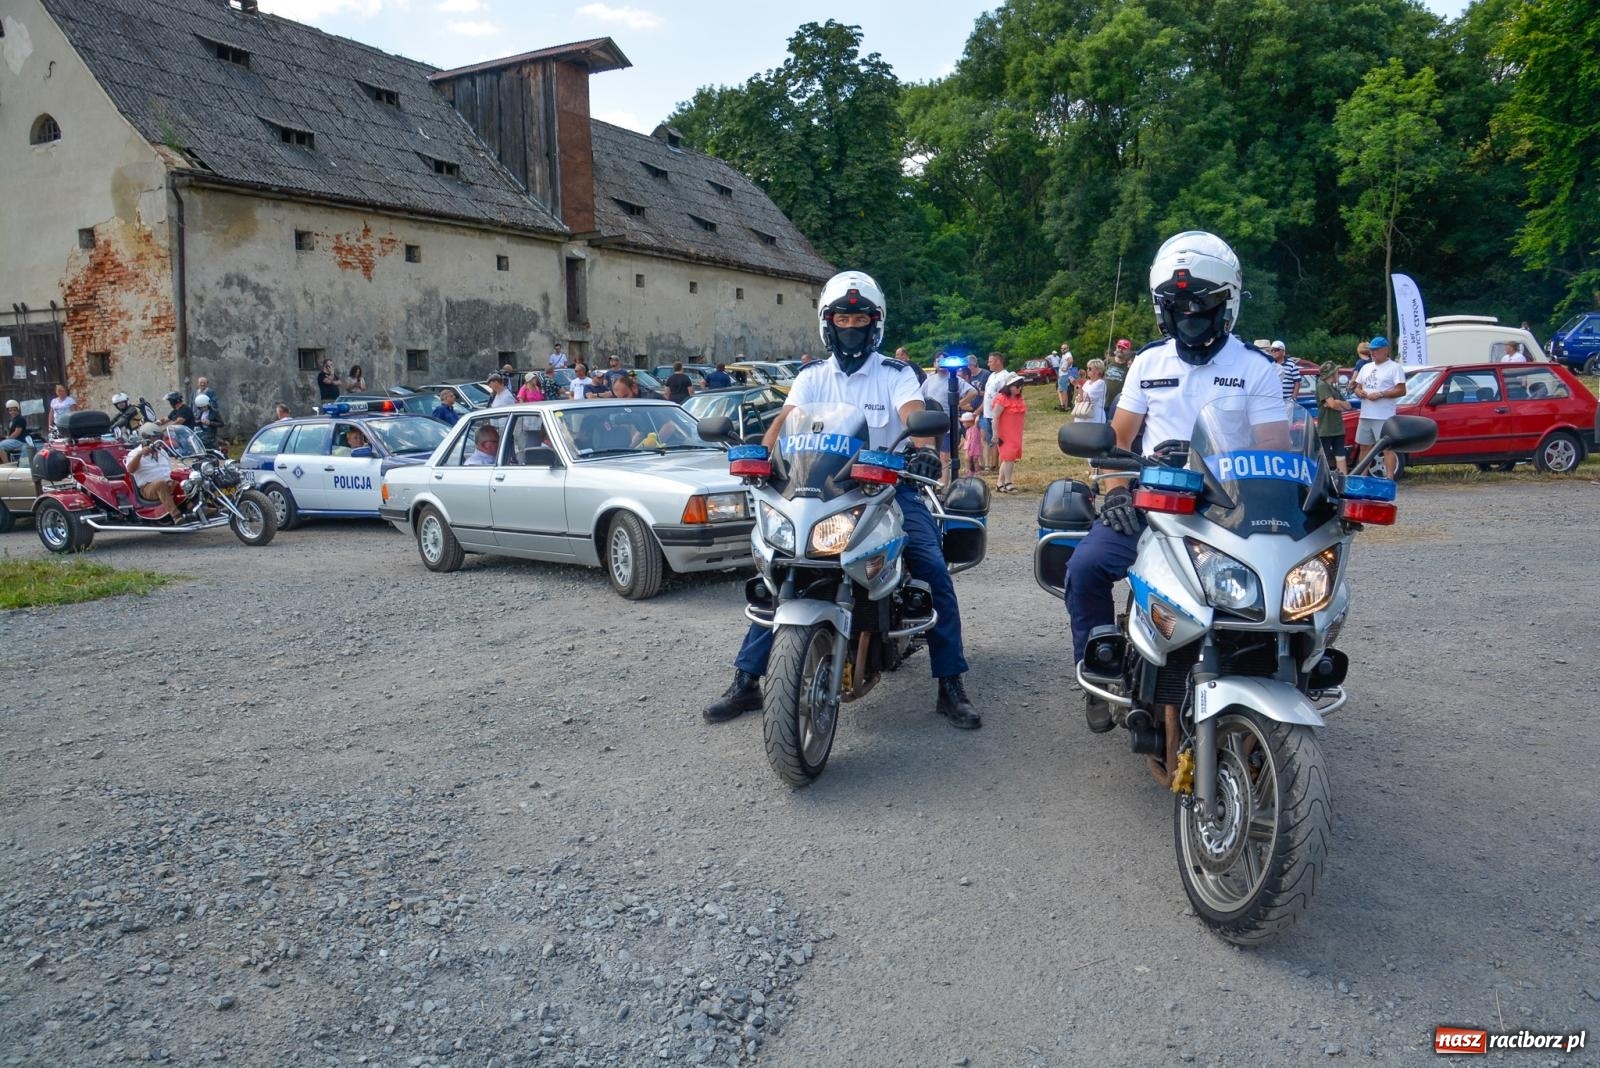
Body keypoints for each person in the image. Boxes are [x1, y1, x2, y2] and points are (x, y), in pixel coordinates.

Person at [701, 268, 983, 730]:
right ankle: (747, 680)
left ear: (876, 323)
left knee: (931, 569)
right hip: (818, 489)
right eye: (842, 319)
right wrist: (761, 457)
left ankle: (950, 682)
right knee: (780, 567)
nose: (851, 327)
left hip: (887, 488)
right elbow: (785, 422)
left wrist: (925, 452)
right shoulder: (812, 376)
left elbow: (914, 415)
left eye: (860, 319)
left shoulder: (895, 374)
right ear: (827, 324)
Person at [1064, 231, 1286, 732]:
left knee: (1282, 590)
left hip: (1230, 508)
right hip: (1154, 504)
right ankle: (1098, 670)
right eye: (1177, 306)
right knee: (1086, 567)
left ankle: (1283, 668)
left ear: (1226, 305)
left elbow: (1274, 451)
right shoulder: (1148, 362)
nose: (1190, 315)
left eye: (1201, 305)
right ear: (1162, 309)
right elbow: (1118, 441)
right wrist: (1117, 494)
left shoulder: (1255, 369)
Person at [1351, 336, 1405, 479]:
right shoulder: (1366, 367)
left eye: (1376, 350)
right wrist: (1359, 392)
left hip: (1384, 416)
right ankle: (1362, 479)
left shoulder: (1394, 367)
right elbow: (1357, 386)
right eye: (1371, 350)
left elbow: (1401, 390)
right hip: (1366, 414)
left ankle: (1389, 479)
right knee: (1364, 447)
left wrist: (1381, 394)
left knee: (1387, 448)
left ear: (1385, 350)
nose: (1373, 353)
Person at [922, 361, 979, 482]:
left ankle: (943, 486)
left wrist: (958, 404)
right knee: (932, 455)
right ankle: (933, 483)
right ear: (934, 363)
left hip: (948, 425)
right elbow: (920, 397)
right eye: (938, 361)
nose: (940, 363)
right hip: (931, 425)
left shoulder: (955, 379)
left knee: (945, 457)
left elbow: (973, 392)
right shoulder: (929, 380)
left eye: (943, 360)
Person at [126, 422, 184, 522]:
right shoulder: (134, 453)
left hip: (168, 483)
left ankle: (198, 508)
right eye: (155, 437)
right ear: (146, 438)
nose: (158, 440)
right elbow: (130, 470)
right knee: (160, 484)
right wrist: (140, 455)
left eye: (159, 437)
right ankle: (176, 516)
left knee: (187, 480)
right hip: (148, 488)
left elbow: (171, 467)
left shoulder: (162, 451)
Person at [1315, 360, 1352, 475]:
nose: (1338, 374)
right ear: (1331, 374)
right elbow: (1332, 404)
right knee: (1323, 458)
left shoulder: (1334, 388)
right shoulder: (1322, 385)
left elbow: (1348, 406)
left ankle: (1343, 479)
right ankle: (1323, 480)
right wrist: (1336, 403)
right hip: (1326, 430)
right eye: (1336, 372)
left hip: (1338, 429)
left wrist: (1338, 402)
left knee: (1341, 456)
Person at [991, 377, 1027, 493]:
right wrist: (995, 434)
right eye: (1017, 386)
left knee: (1008, 458)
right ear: (1010, 387)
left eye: (1021, 386)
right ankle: (1008, 482)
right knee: (1009, 457)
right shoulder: (1002, 398)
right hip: (1005, 433)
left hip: (1015, 432)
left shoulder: (1018, 398)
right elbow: (995, 418)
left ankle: (999, 483)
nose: (1019, 388)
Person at [979, 352, 1012, 474]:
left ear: (998, 361)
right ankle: (992, 465)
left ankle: (996, 465)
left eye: (990, 361)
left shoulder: (1005, 376)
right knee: (990, 439)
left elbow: (1006, 396)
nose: (988, 364)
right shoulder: (991, 376)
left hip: (998, 413)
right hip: (987, 413)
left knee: (998, 438)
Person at [1104, 339, 1132, 416]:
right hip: (1103, 403)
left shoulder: (1130, 366)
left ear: (1129, 351)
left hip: (1119, 406)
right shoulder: (1108, 361)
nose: (1120, 349)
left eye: (1124, 348)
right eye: (1119, 347)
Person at [1270, 340, 1299, 415]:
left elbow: (1297, 382)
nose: (1273, 352)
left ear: (1283, 351)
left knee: (1286, 422)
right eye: (1272, 350)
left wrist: (1293, 398)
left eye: (1276, 350)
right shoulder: (1270, 364)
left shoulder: (1291, 364)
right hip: (1274, 401)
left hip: (1287, 400)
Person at [1078, 358, 1108, 423]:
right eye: (1087, 368)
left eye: (1090, 369)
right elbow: (1079, 397)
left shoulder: (1100, 383)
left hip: (1094, 418)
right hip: (1083, 415)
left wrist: (1078, 387)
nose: (1087, 370)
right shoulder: (1087, 382)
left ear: (1098, 371)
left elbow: (1087, 398)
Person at [961, 409, 982, 476]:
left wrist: (975, 415)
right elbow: (966, 439)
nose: (963, 424)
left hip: (974, 447)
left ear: (969, 422)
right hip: (968, 447)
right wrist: (961, 445)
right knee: (967, 459)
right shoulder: (968, 430)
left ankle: (977, 470)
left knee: (975, 459)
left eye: (964, 422)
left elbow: (977, 419)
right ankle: (968, 470)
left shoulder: (975, 428)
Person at [1055, 345, 1075, 411]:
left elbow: (1071, 361)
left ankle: (1064, 407)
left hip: (1064, 375)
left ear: (1068, 349)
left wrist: (1066, 368)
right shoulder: (1064, 355)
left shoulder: (1068, 354)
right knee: (1062, 391)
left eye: (1064, 348)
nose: (1063, 349)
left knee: (1063, 391)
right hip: (1063, 375)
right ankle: (1063, 406)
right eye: (1062, 348)